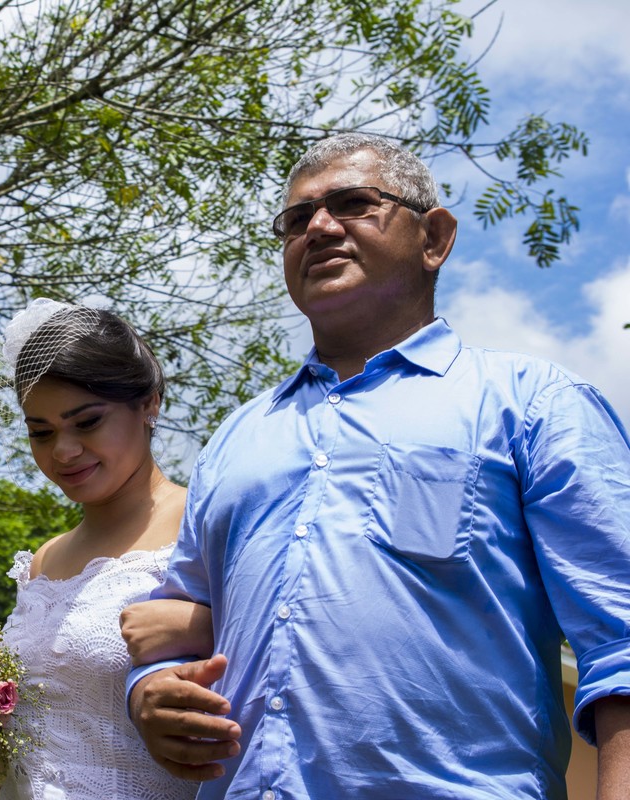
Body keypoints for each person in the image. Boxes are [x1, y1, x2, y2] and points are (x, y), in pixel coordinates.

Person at [122, 132, 630, 799]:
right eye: (297, 220)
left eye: (355, 203)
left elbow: (619, 644)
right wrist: (148, 694)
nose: (320, 229)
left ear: (435, 239)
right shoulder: (239, 439)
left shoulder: (531, 403)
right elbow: (178, 622)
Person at [0, 298, 201, 800]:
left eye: (86, 422)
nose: (62, 452)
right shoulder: (44, 560)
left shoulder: (200, 525)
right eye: (40, 432)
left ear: (149, 402)